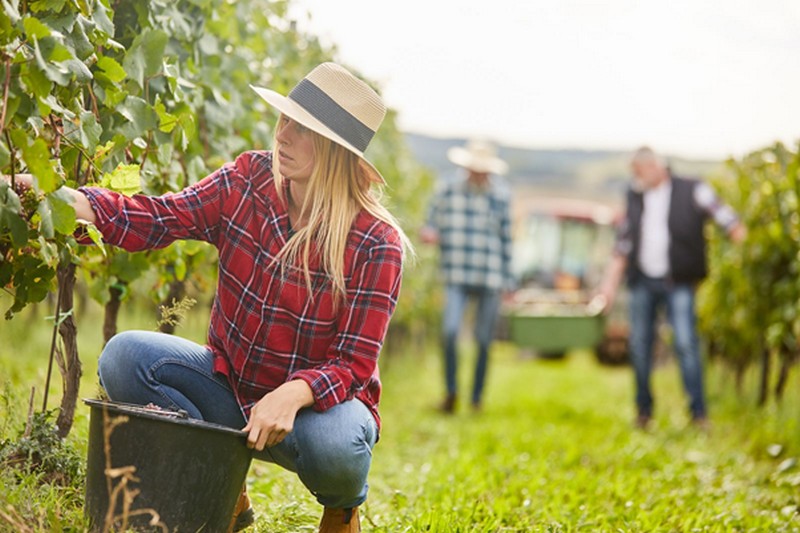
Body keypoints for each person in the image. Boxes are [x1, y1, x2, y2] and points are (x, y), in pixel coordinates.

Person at [5, 62, 411, 533]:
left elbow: (354, 364)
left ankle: (342, 512)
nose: (283, 135)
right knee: (126, 359)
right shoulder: (248, 179)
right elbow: (160, 217)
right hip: (231, 391)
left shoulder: (376, 241)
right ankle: (225, 486)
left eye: (303, 130)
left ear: (336, 152)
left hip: (311, 415)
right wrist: (58, 199)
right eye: (285, 119)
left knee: (340, 448)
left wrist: (294, 394)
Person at [598, 146, 744, 430]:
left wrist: (740, 236)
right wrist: (609, 285)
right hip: (643, 281)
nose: (636, 178)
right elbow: (623, 243)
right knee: (640, 346)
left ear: (655, 167)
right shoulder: (636, 196)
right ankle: (644, 412)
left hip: (678, 281)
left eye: (639, 172)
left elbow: (723, 214)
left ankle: (699, 414)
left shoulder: (691, 189)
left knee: (686, 343)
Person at [420, 139, 514, 414]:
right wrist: (429, 232)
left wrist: (510, 280)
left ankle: (476, 398)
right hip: (456, 272)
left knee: (484, 340)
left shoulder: (501, 194)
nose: (480, 174)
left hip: (490, 275)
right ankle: (451, 393)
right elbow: (430, 220)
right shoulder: (447, 188)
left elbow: (507, 239)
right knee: (450, 332)